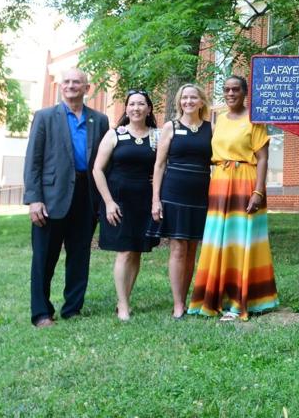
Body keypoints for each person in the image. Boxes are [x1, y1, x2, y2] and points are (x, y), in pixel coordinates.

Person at [23, 68, 110, 327]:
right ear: (61, 87)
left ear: (87, 88)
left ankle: (72, 308)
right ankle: (41, 312)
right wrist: (34, 199)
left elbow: (105, 163)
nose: (71, 86)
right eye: (67, 82)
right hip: (51, 197)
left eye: (77, 82)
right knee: (43, 257)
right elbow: (33, 161)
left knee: (80, 255)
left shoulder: (100, 120)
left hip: (87, 196)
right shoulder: (45, 117)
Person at [188, 75, 278, 320]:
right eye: (226, 89)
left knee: (243, 241)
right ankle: (214, 297)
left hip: (246, 181)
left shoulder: (255, 119)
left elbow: (262, 158)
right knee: (219, 240)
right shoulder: (218, 120)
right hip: (219, 182)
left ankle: (240, 301)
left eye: (235, 89)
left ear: (245, 92)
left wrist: (258, 191)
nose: (230, 93)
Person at [91, 89, 159, 321]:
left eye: (141, 104)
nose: (136, 108)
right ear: (126, 108)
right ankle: (122, 304)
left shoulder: (156, 136)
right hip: (118, 200)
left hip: (144, 200)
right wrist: (108, 202)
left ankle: (125, 300)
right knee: (124, 251)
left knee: (137, 251)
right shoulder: (114, 135)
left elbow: (163, 165)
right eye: (132, 104)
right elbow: (97, 170)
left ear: (149, 109)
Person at [148, 83, 213, 319]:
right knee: (177, 248)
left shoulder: (210, 128)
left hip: (201, 195)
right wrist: (156, 199)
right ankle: (178, 304)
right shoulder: (170, 127)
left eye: (193, 97)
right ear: (179, 102)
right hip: (173, 193)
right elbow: (159, 164)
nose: (188, 102)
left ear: (201, 101)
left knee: (192, 249)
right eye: (184, 98)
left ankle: (188, 299)